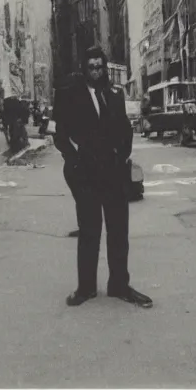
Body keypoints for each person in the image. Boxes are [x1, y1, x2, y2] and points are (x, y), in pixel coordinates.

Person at [52, 47, 152, 309]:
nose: (96, 71)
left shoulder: (114, 94)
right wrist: (74, 159)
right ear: (85, 68)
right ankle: (86, 288)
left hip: (114, 173)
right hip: (85, 174)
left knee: (119, 231)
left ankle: (119, 285)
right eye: (91, 66)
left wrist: (122, 155)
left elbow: (125, 130)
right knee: (90, 230)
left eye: (99, 66)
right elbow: (58, 132)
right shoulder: (71, 94)